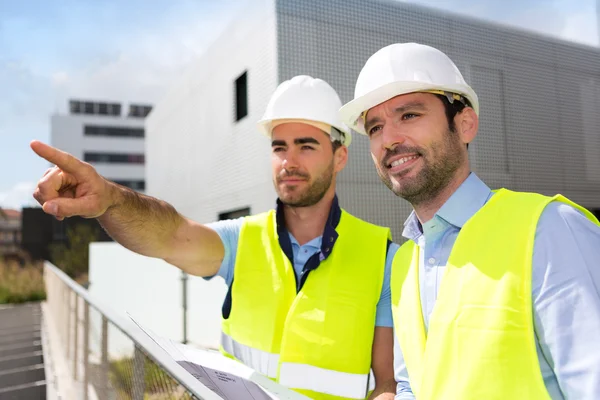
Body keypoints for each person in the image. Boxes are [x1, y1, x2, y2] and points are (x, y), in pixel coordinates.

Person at [31, 75, 398, 400]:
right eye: (278, 147)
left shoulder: (381, 256)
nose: (288, 161)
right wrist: (109, 199)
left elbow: (388, 383)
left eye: (306, 145)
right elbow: (170, 235)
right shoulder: (243, 240)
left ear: (340, 157)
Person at [338, 43, 600, 400]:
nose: (390, 139)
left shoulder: (549, 230)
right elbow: (417, 383)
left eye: (409, 115)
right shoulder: (402, 264)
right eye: (375, 128)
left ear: (464, 124)